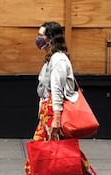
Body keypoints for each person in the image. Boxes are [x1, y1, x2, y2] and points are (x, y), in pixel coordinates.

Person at [24, 21, 96, 175]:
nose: (38, 39)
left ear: (50, 38)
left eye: (41, 35)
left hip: (53, 114)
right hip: (48, 114)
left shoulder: (58, 59)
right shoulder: (52, 58)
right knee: (59, 152)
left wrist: (56, 118)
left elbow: (56, 90)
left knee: (48, 153)